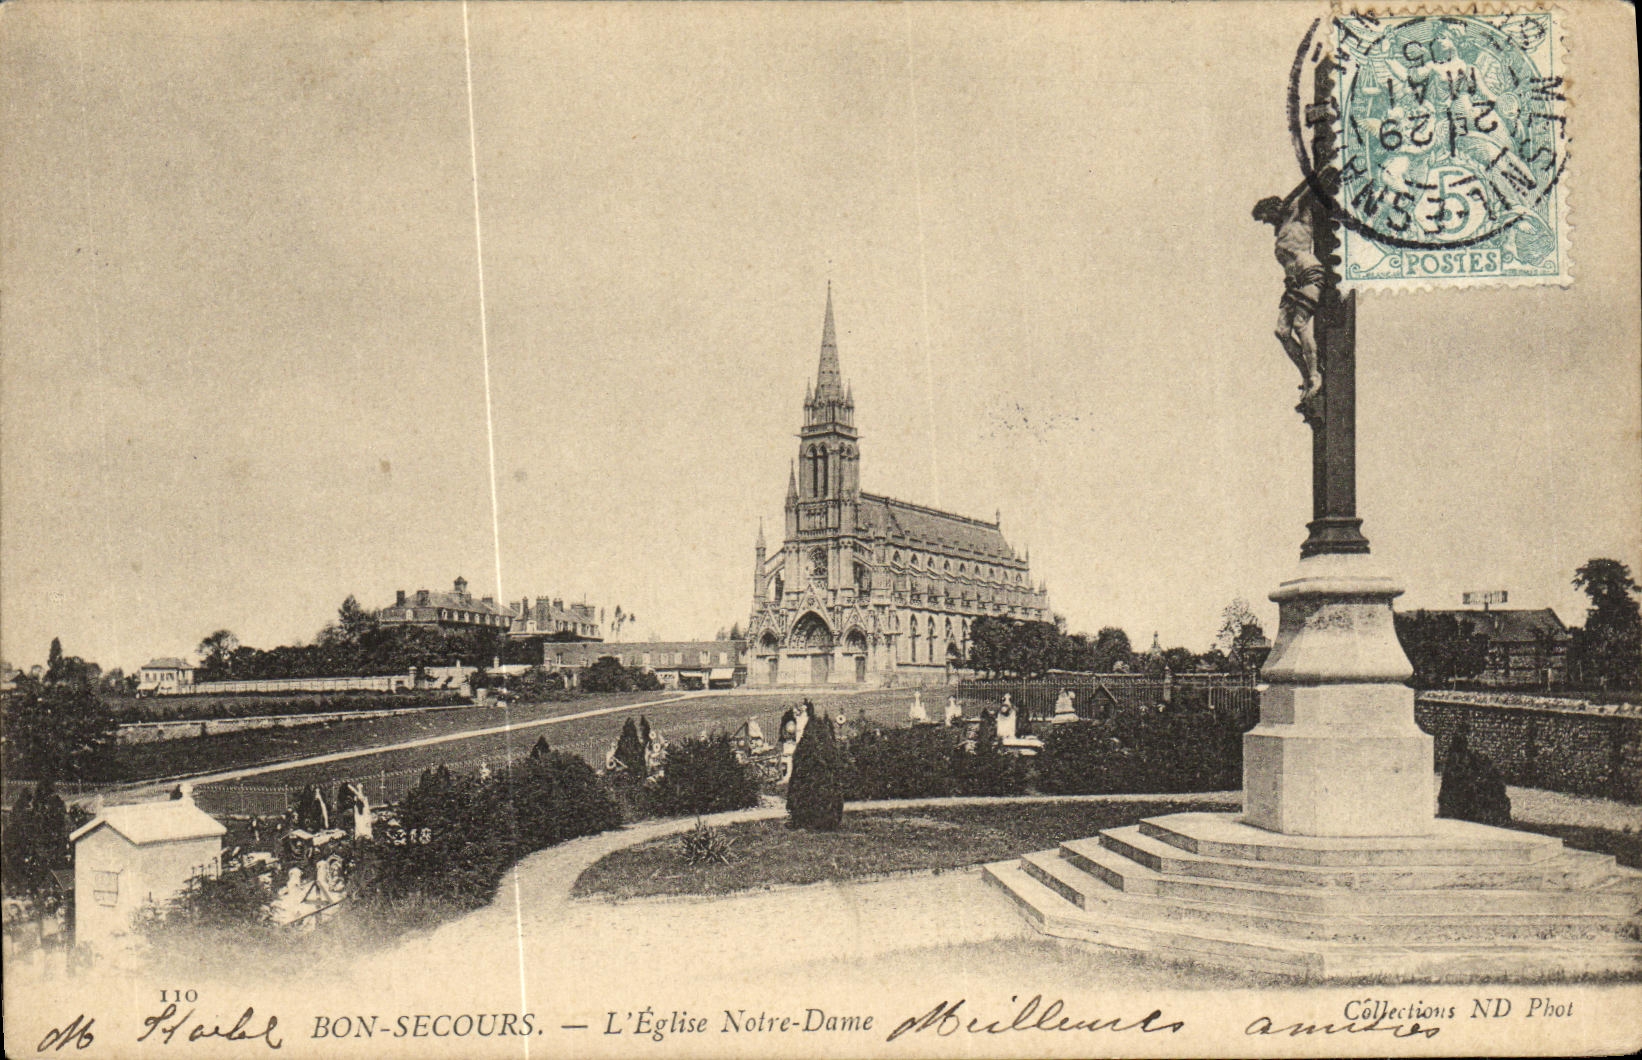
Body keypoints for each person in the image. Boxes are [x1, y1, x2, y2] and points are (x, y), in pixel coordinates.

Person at [1254, 186, 1326, 421]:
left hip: (1309, 273)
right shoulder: (1284, 228)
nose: (1268, 225)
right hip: (1293, 283)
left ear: (1274, 210)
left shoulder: (1297, 213)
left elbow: (1311, 187)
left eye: (1266, 219)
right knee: (1281, 332)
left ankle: (1315, 374)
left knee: (1299, 324)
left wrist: (1314, 173)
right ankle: (1306, 376)